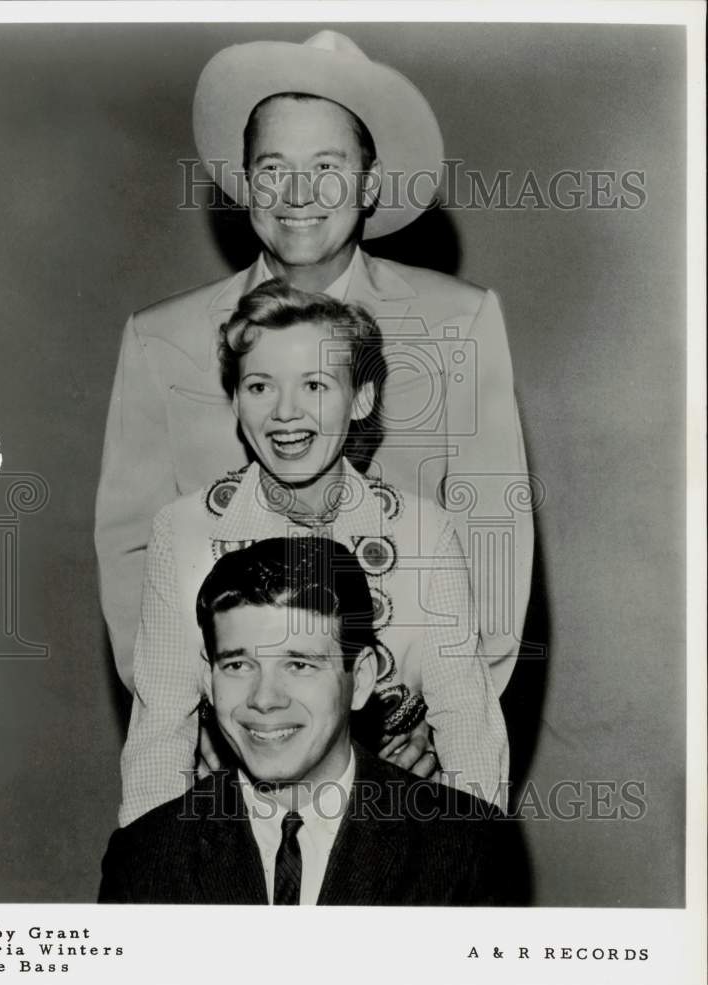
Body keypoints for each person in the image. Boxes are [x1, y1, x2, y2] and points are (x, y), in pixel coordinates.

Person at [95, 30, 533, 700]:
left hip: (402, 732)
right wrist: (193, 711)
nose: (297, 193)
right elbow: (133, 554)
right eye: (272, 169)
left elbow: (493, 530)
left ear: (369, 183)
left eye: (327, 166)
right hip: (230, 730)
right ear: (244, 183)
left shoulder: (458, 324)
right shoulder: (161, 340)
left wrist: (440, 711)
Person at [119, 279, 507, 826]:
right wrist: (151, 873)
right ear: (234, 399)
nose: (284, 413)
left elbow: (467, 719)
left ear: (361, 399)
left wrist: (469, 861)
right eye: (259, 387)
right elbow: (160, 729)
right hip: (237, 831)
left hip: (389, 827)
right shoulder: (183, 532)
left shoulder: (425, 532)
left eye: (315, 386)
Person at [100, 537, 524, 906]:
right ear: (208, 680)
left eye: (299, 665)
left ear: (359, 679)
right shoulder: (145, 857)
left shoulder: (466, 848)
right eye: (237, 666)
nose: (264, 699)